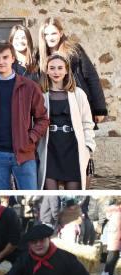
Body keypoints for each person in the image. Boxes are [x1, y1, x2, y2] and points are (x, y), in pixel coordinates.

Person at [0, 42, 49, 190]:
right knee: (0, 201)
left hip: (24, 153)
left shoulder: (29, 86)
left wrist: (30, 138)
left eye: (5, 57)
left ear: (13, 59)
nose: (1, 61)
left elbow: (42, 118)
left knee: (30, 199)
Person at [37, 54, 96, 190]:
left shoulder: (78, 93)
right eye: (52, 68)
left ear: (66, 70)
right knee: (49, 190)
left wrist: (88, 147)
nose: (56, 72)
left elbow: (87, 123)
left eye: (60, 68)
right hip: (50, 148)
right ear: (46, 70)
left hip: (73, 149)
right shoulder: (40, 94)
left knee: (72, 192)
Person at [39, 17, 107, 125]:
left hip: (75, 102)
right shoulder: (40, 55)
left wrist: (99, 109)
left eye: (53, 33)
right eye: (46, 34)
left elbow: (92, 76)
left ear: (61, 33)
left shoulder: (74, 51)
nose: (50, 38)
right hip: (51, 105)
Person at [102, 198, 121, 275]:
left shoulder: (114, 208)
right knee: (114, 255)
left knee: (112, 253)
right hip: (116, 233)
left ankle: (106, 272)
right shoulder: (117, 209)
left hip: (115, 232)